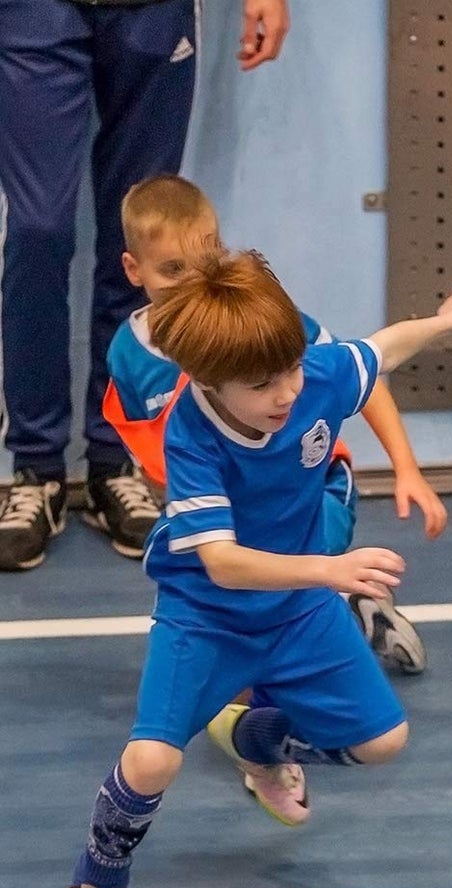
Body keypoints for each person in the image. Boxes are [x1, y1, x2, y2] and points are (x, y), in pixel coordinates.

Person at [52, 250, 452, 888]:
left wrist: (444, 321)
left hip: (297, 611)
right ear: (206, 380)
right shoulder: (192, 435)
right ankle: (96, 884)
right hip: (207, 615)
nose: (287, 392)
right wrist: (330, 569)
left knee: (381, 742)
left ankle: (257, 742)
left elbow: (381, 350)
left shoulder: (308, 377)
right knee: (152, 759)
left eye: (291, 370)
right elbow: (222, 562)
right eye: (262, 384)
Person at [104, 173, 442, 672]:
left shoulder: (265, 325)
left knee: (294, 574)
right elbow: (156, 452)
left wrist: (406, 468)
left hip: (314, 487)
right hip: (240, 509)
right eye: (172, 270)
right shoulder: (128, 357)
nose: (191, 282)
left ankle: (338, 611)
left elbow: (360, 376)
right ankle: (331, 617)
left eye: (203, 262)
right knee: (237, 594)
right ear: (134, 270)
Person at [0, 0, 289, 572]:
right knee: (37, 233)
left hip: (153, 11)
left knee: (147, 246)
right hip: (34, 12)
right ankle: (37, 470)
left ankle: (116, 458)